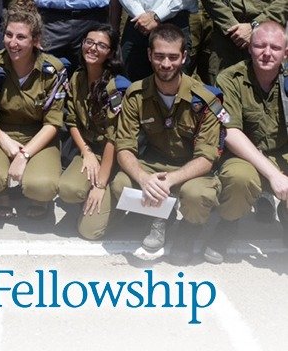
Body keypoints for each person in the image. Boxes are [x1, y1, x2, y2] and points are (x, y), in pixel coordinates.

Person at [111, 24, 224, 264]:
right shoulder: (135, 94)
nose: (166, 64)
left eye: (173, 57)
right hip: (155, 164)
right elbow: (124, 147)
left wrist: (170, 181)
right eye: (159, 56)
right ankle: (161, 216)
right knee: (121, 185)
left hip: (191, 169)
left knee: (197, 196)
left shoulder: (205, 99)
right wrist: (143, 178)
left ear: (184, 57)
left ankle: (188, 228)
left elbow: (206, 158)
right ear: (149, 55)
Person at [204, 21, 288, 262]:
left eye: (275, 47)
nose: (267, 53)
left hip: (282, 152)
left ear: (285, 53)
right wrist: (274, 175)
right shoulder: (230, 78)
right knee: (239, 178)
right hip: (245, 156)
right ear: (250, 47)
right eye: (260, 46)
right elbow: (231, 132)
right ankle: (229, 222)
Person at [0, 0, 67, 220]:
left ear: (35, 40)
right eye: (9, 35)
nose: (13, 43)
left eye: (21, 37)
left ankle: (37, 195)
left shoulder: (52, 69)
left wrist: (24, 155)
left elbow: (53, 123)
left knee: (43, 186)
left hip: (39, 136)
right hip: (1, 133)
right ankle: (1, 193)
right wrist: (4, 141)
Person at [58, 24, 129, 240]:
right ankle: (92, 195)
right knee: (68, 189)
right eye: (89, 42)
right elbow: (72, 120)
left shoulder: (116, 88)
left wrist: (100, 185)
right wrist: (86, 152)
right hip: (91, 151)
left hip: (115, 156)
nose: (93, 48)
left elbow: (113, 138)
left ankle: (114, 203)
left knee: (89, 232)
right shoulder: (78, 77)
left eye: (101, 45)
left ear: (111, 53)